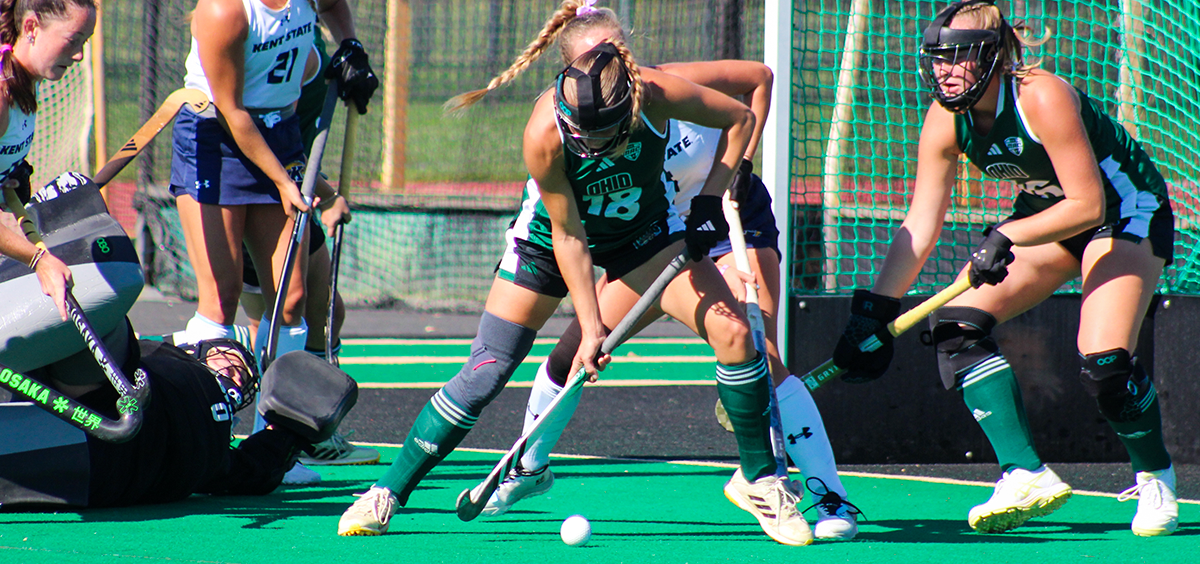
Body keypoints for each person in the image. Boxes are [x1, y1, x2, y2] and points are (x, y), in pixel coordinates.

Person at [335, 1, 812, 546]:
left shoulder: (652, 93)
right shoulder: (544, 132)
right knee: (487, 369)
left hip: (643, 236)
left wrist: (709, 198)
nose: (590, 145)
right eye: (581, 133)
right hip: (548, 241)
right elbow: (569, 237)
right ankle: (387, 491)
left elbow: (740, 117)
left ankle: (763, 482)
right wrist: (591, 328)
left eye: (603, 134)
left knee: (736, 334)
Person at [833, 0, 1178, 536]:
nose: (945, 70)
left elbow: (1087, 205)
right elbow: (921, 224)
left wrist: (1006, 234)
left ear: (994, 57)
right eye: (937, 58)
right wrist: (875, 311)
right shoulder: (946, 118)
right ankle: (1024, 472)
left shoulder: (1041, 95)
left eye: (959, 57)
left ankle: (1155, 476)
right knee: (954, 325)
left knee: (1105, 360)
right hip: (1048, 220)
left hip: (1125, 213)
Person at [482, 59, 861, 540]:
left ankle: (828, 496)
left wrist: (739, 169)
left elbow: (759, 80)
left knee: (759, 354)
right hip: (658, 239)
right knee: (578, 348)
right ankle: (528, 467)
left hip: (723, 222)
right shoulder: (590, 121)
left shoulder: (667, 84)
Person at [168, 0, 373, 483]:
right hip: (216, 136)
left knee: (292, 297)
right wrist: (287, 182)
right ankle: (207, 441)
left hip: (278, 132)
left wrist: (352, 48)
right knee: (221, 297)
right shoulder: (225, 12)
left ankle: (275, 445)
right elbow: (232, 110)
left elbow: (335, 8)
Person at [0, 319, 325, 508]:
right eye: (231, 360)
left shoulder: (219, 455)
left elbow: (257, 470)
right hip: (98, 453)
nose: (236, 373)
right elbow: (259, 469)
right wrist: (287, 434)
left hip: (100, 454)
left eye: (240, 375)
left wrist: (289, 430)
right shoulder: (162, 357)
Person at [0, 0, 95, 322]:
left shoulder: (26, 84)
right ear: (31, 28)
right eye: (73, 40)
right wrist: (38, 260)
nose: (79, 54)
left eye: (85, 42)